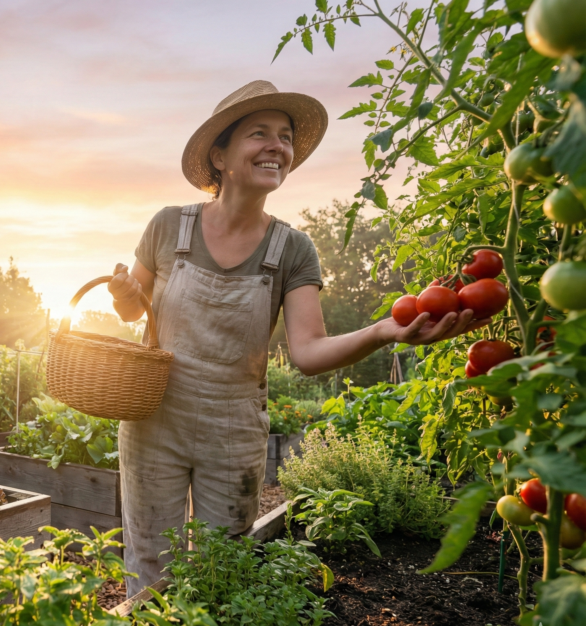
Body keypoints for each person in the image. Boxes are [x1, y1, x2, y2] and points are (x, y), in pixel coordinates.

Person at [108, 81, 487, 597]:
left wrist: (382, 332)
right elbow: (135, 312)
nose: (277, 146)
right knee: (151, 561)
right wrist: (125, 292)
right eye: (259, 133)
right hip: (155, 420)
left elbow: (308, 352)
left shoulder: (293, 249)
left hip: (233, 428)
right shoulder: (168, 227)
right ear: (219, 156)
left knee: (224, 570)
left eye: (285, 137)